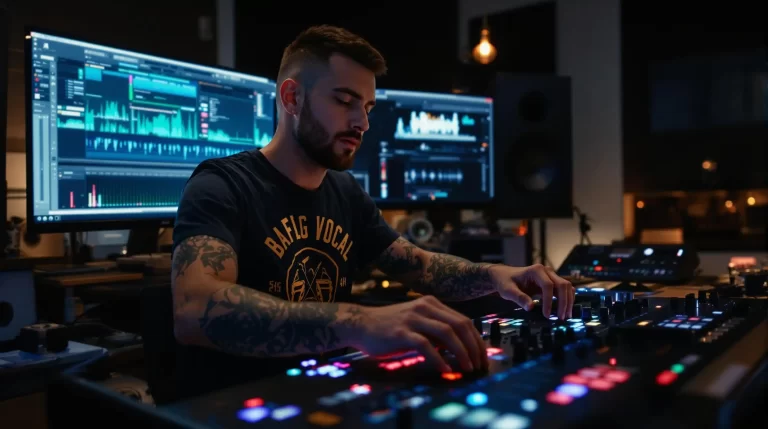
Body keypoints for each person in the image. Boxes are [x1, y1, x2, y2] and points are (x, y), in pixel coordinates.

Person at [171, 25, 574, 397]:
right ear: (292, 97)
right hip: (246, 403)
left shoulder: (344, 192)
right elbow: (193, 310)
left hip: (330, 392)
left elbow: (421, 266)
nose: (362, 122)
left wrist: (497, 276)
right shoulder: (220, 185)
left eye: (367, 107)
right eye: (344, 101)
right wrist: (358, 322)